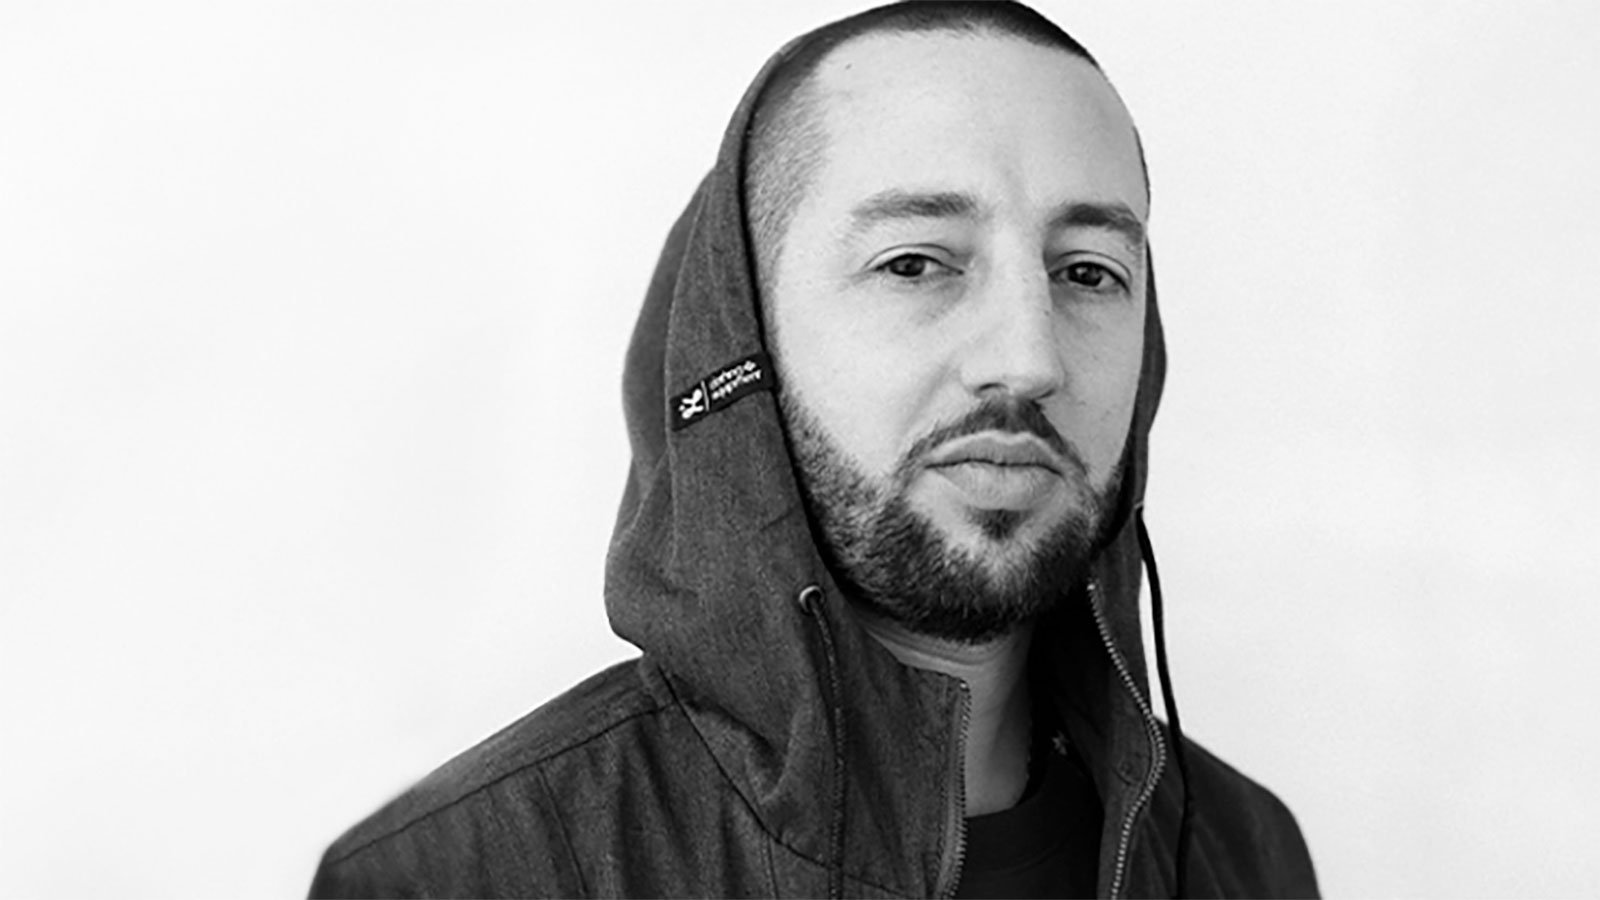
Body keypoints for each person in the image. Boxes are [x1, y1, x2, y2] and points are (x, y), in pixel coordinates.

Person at [310, 2, 1319, 897]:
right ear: (744, 340)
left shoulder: (1243, 853)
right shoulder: (457, 876)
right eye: (914, 263)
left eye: (1088, 272)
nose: (1027, 358)